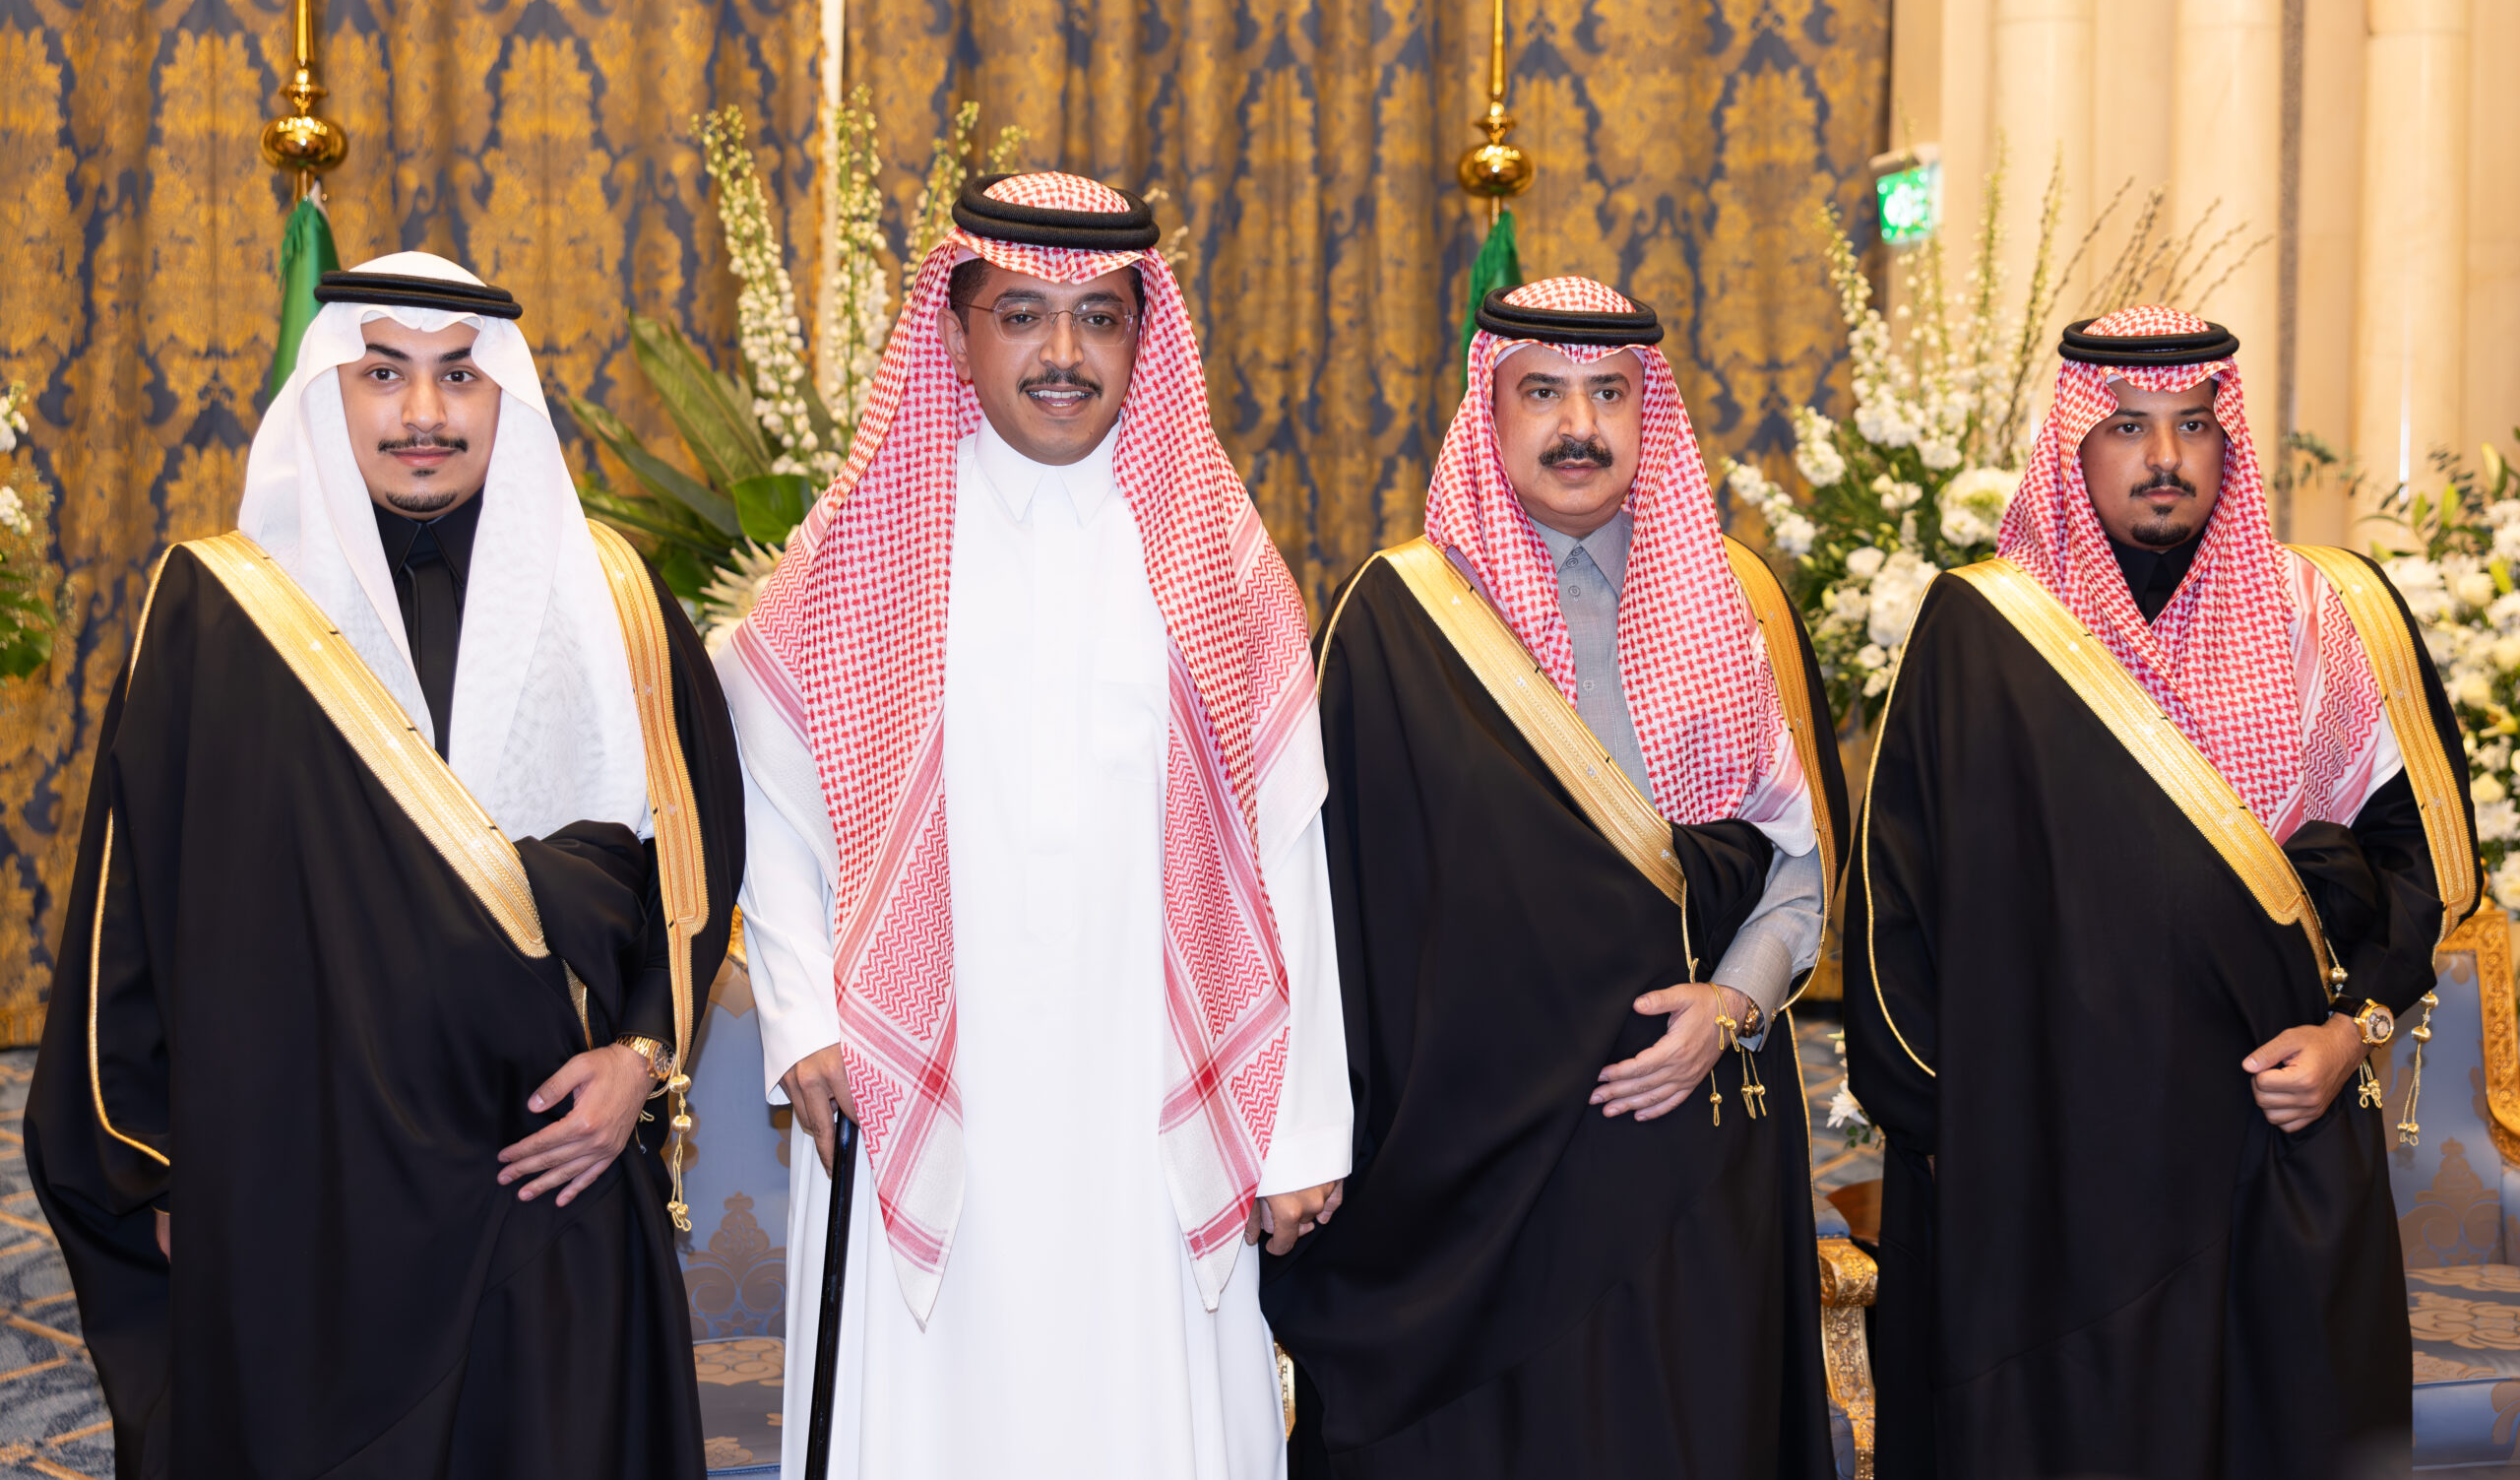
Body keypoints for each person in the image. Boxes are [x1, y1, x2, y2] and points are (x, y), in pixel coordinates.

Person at [28, 253, 742, 1478]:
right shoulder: (218, 609)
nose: (423, 413)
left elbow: (695, 853)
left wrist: (641, 1057)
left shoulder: (613, 596)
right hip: (300, 1178)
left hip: (545, 1161)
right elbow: (129, 908)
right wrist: (149, 1168)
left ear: (504, 395)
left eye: (458, 376)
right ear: (329, 393)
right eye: (383, 374)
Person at [722, 171, 1350, 1480]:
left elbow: (1290, 857)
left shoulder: (1221, 559)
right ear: (956, 335)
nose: (1063, 352)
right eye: (1021, 314)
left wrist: (1299, 1130)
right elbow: (771, 797)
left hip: (1148, 1086)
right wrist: (804, 1015)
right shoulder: (862, 549)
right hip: (916, 1072)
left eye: (1099, 317)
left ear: (1141, 335)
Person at [1846, 304, 2478, 1480]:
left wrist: (2354, 1031)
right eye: (2128, 426)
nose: (2165, 456)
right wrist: (1944, 1130)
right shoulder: (1984, 630)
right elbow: (1895, 908)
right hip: (2045, 1155)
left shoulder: (2317, 617)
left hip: (2271, 1133)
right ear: (2073, 443)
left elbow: (2417, 859)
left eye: (2193, 425)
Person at [1262, 277, 1845, 1479]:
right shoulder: (1396, 619)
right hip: (1462, 1169)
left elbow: (1801, 862)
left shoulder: (1730, 600)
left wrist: (1731, 1005)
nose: (1578, 425)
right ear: (1490, 410)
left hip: (1684, 1138)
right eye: (1542, 392)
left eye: (1609, 394)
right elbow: (1322, 905)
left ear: (1648, 413)